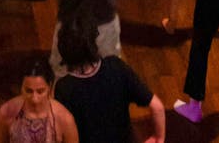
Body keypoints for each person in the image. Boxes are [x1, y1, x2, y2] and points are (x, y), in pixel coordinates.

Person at [55, 12, 165, 143]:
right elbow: (157, 107)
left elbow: (63, 134)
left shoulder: (64, 89)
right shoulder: (116, 66)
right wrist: (159, 138)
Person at [0, 54, 78, 143]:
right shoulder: (7, 112)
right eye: (29, 91)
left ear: (49, 86)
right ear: (21, 87)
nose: (35, 99)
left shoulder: (65, 119)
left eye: (40, 91)